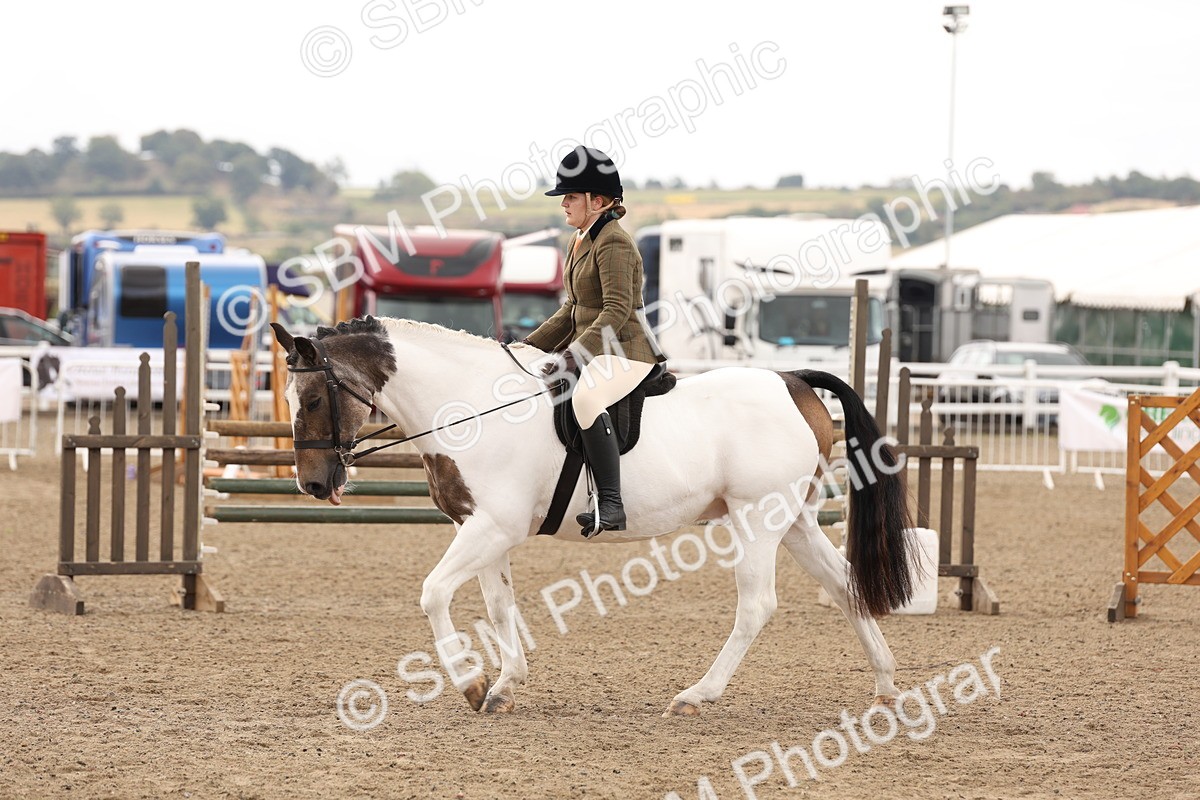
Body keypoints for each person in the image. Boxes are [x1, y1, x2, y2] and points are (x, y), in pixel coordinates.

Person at [521, 146, 666, 537]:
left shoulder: (614, 242)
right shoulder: (580, 240)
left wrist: (573, 355)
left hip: (627, 349)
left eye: (571, 196)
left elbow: (616, 310)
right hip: (600, 345)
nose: (564, 203)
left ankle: (612, 503)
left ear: (597, 201)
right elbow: (572, 308)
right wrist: (526, 347)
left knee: (586, 397)